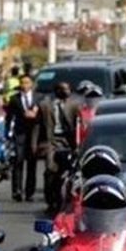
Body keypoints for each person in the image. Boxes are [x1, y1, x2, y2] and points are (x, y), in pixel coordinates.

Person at [41, 82, 79, 214]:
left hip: (69, 142)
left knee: (69, 172)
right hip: (53, 141)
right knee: (50, 171)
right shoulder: (46, 105)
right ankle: (50, 202)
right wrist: (37, 145)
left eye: (68, 89)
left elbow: (78, 126)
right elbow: (38, 127)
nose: (66, 91)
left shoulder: (74, 105)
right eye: (63, 89)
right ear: (56, 91)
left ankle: (65, 201)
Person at [5, 74, 40, 202]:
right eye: (22, 83)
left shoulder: (38, 98)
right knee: (18, 161)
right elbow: (9, 117)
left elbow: (42, 116)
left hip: (33, 134)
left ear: (32, 84)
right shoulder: (14, 99)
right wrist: (7, 132)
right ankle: (17, 191)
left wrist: (35, 114)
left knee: (32, 163)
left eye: (27, 83)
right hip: (19, 133)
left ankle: (29, 192)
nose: (25, 85)